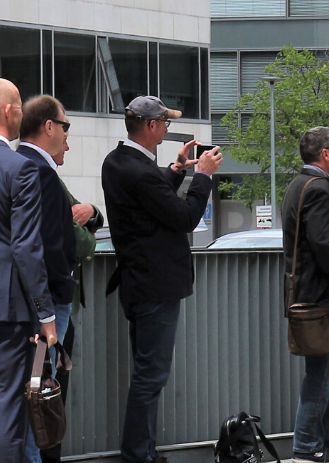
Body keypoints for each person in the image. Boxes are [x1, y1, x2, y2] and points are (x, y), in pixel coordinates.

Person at [101, 95, 219, 463]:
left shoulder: (118, 162)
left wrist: (176, 170)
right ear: (151, 127)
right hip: (155, 285)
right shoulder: (139, 170)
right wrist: (203, 175)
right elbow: (183, 218)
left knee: (146, 373)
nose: (167, 128)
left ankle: (143, 451)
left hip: (138, 282)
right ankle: (138, 453)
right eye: (165, 123)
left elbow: (151, 201)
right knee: (151, 376)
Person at [0, 78, 57, 462]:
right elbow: (26, 247)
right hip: (7, 306)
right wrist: (47, 314)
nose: (22, 112)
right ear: (8, 111)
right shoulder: (19, 168)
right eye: (20, 105)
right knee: (8, 408)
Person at [283, 127, 329, 462]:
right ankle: (306, 446)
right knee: (323, 374)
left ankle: (321, 439)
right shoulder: (318, 189)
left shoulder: (302, 184)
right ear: (324, 154)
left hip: (315, 291)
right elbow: (325, 244)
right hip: (322, 295)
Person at [16, 95, 78, 463]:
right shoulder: (37, 171)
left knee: (30, 390)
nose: (67, 135)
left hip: (24, 298)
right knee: (39, 392)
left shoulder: (18, 164)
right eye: (65, 125)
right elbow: (42, 245)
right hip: (46, 302)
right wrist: (53, 305)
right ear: (48, 126)